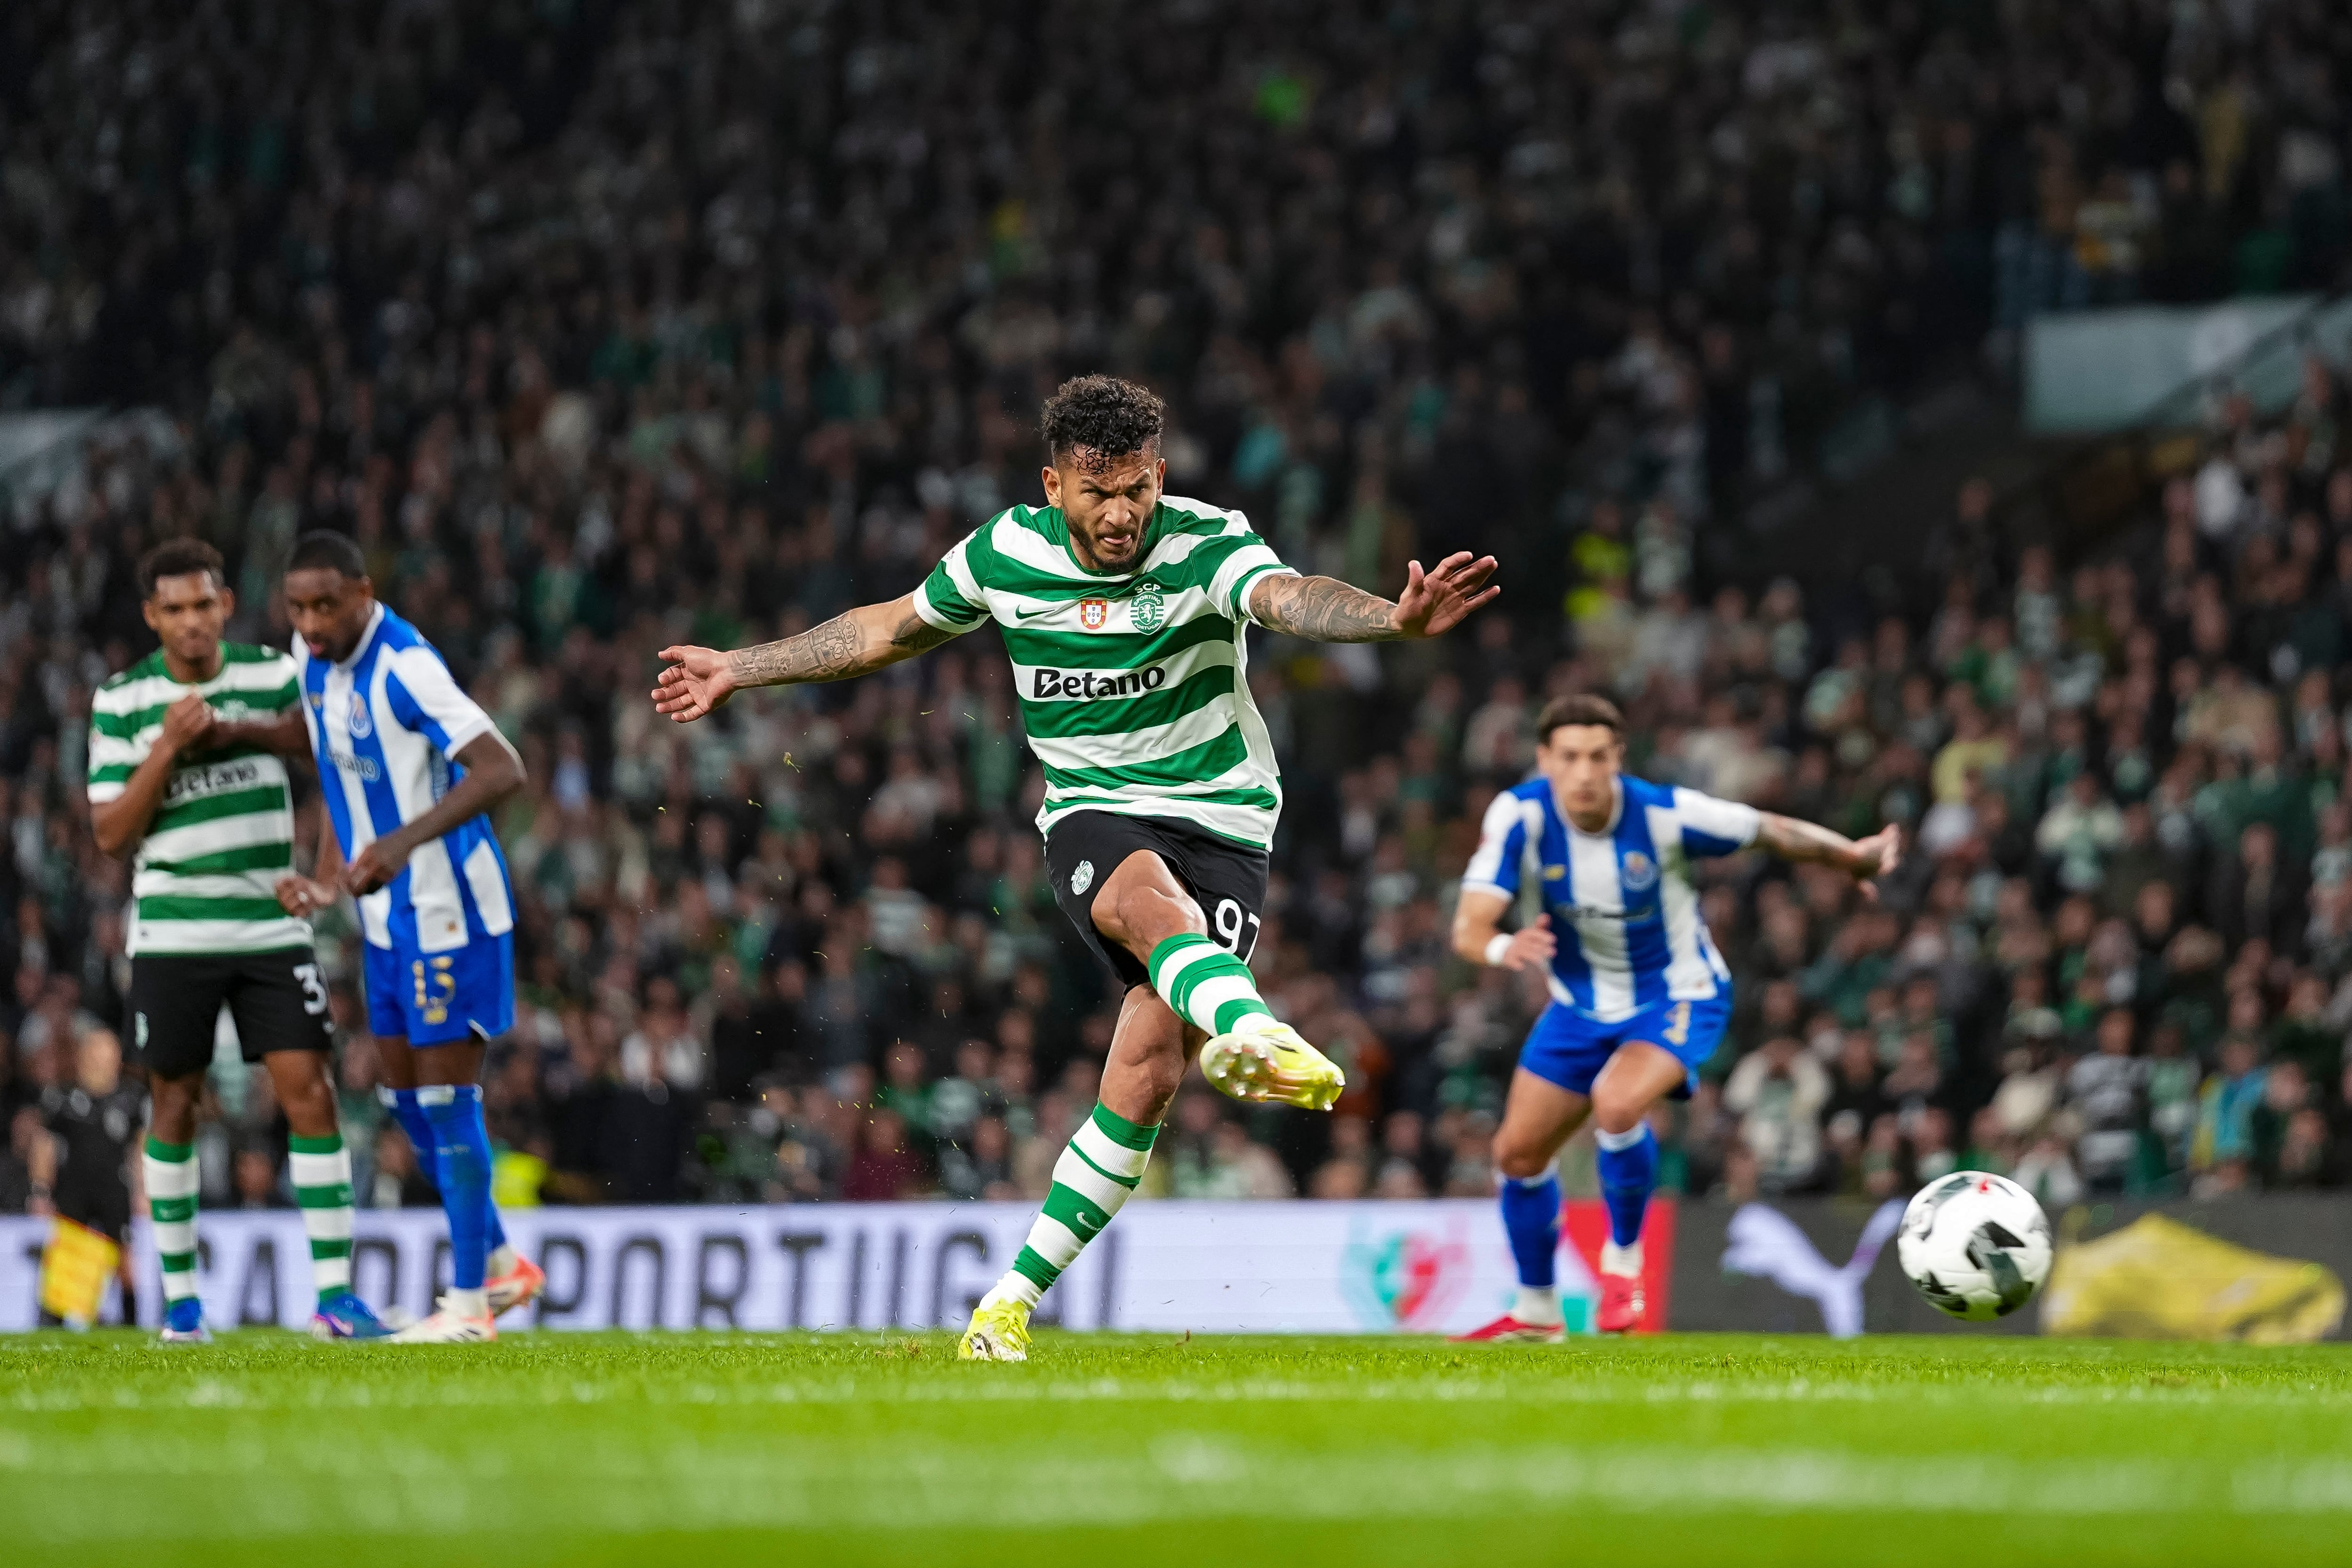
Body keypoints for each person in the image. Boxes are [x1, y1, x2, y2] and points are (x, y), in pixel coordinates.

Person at [652, 374, 1497, 1360]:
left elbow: (1288, 597)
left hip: (1226, 822)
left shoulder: (1204, 540)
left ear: (1160, 475)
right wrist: (739, 667)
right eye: (1099, 493)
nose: (1122, 513)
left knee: (1144, 1069)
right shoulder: (1003, 555)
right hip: (1094, 811)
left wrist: (1389, 622)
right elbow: (886, 628)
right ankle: (1255, 1025)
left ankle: (1004, 1304)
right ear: (1053, 484)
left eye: (1138, 488)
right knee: (1146, 904)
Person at [1451, 694, 1900, 1340]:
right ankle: (1537, 1313)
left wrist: (1851, 858)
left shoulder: (1663, 814)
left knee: (1616, 1102)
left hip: (1677, 996)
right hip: (1579, 1007)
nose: (1583, 772)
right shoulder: (1519, 816)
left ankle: (1624, 1265)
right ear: (1545, 759)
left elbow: (1769, 829)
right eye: (1569, 757)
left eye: (1597, 757)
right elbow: (1469, 927)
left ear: (1617, 760)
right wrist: (1501, 947)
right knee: (1517, 1154)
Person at [85, 539, 390, 1343]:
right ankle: (181, 1301)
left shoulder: (272, 674)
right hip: (173, 930)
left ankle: (335, 1295)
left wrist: (324, 878)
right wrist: (167, 747)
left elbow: (333, 761)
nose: (192, 621)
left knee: (310, 1089)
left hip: (269, 925)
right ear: (153, 616)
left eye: (204, 604)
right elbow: (111, 833)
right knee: (175, 1103)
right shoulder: (121, 700)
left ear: (225, 604)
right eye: (174, 609)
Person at [276, 530, 541, 1343]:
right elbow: (337, 773)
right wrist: (327, 877)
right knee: (401, 1099)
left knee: (444, 1099)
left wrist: (402, 843)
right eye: (299, 606)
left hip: (452, 911)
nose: (312, 621)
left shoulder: (407, 667)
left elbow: (503, 768)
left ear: (365, 591)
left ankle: (470, 1308)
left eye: (327, 604)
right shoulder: (310, 659)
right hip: (386, 921)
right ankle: (501, 1263)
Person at [30, 1030, 143, 1329]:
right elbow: (46, 1146)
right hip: (74, 1189)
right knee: (64, 1256)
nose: (102, 1062)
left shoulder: (130, 1100)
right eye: (96, 1054)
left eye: (109, 1055)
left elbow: (139, 1149)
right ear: (83, 1057)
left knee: (124, 1259)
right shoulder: (62, 1098)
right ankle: (52, 1321)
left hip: (114, 1190)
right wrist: (40, 1190)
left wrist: (143, 1192)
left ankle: (132, 1321)